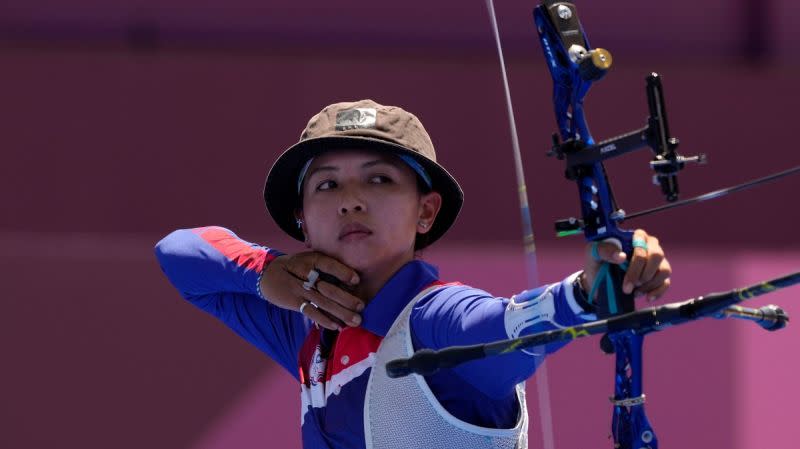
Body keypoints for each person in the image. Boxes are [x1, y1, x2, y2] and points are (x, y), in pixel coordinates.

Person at [154, 99, 671, 448]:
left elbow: (509, 327)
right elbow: (178, 254)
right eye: (327, 186)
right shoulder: (308, 324)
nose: (351, 201)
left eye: (379, 179)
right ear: (302, 222)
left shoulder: (434, 317)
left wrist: (590, 292)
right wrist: (267, 273)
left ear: (425, 212)